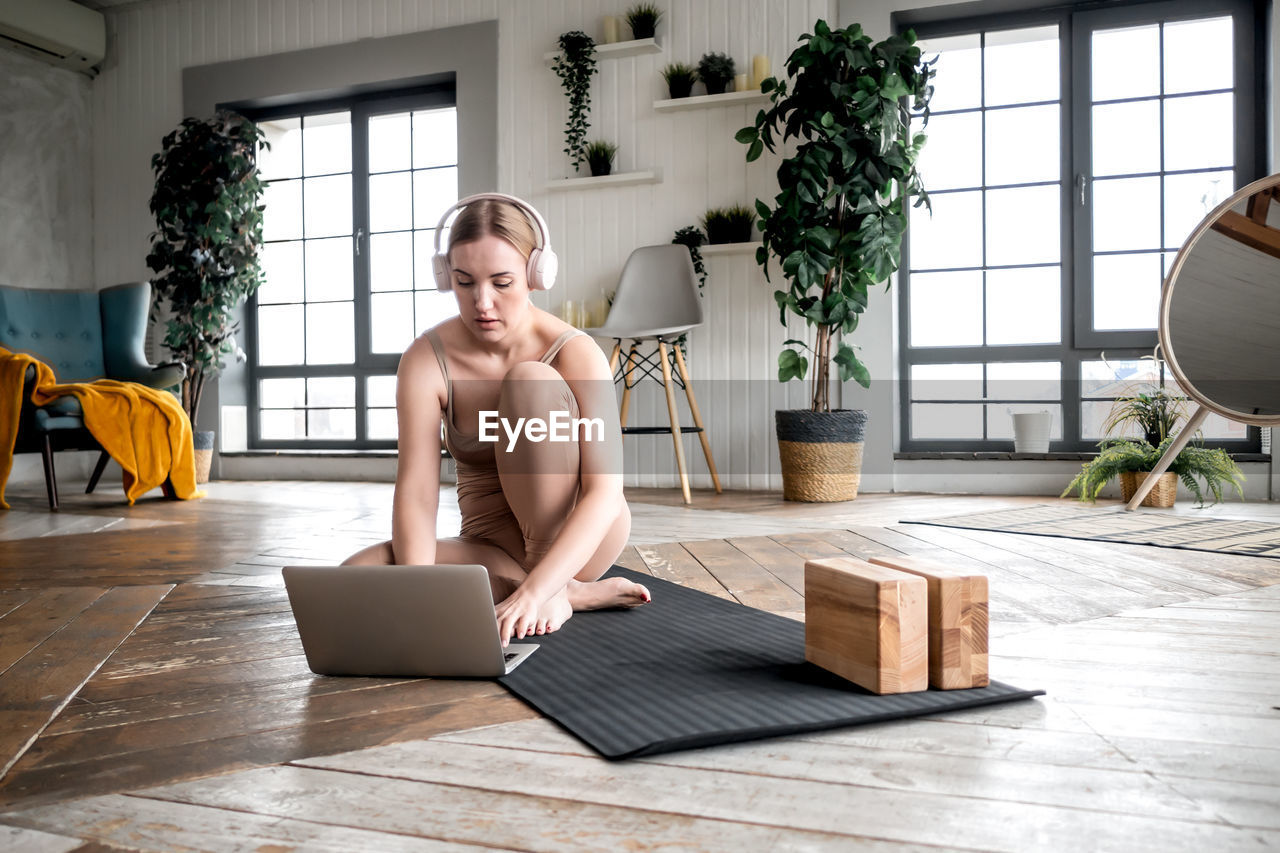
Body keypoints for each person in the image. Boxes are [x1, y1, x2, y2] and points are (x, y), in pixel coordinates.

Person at [343, 193, 649, 644]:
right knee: (357, 576)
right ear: (446, 276)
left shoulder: (576, 352)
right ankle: (569, 594)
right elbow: (417, 490)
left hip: (579, 537)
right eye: (465, 283)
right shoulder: (426, 359)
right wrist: (417, 590)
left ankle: (553, 587)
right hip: (493, 546)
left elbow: (605, 494)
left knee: (529, 382)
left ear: (534, 275)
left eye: (501, 283)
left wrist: (534, 594)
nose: (482, 302)